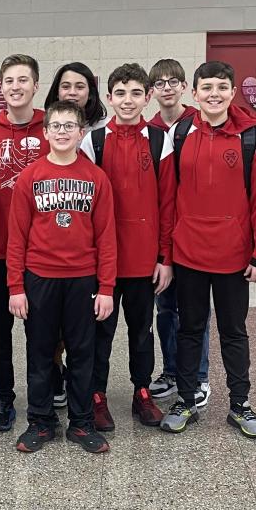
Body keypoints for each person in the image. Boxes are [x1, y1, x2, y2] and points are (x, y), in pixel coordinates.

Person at [158, 61, 256, 439]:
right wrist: (167, 256)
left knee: (233, 331)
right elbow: (168, 199)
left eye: (221, 87)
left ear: (233, 91)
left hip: (233, 256)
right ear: (195, 93)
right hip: (189, 253)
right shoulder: (179, 133)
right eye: (206, 87)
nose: (214, 94)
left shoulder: (252, 137)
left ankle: (240, 404)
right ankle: (186, 400)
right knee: (190, 329)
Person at [7, 100, 117, 454]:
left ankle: (82, 423)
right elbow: (17, 237)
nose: (63, 132)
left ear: (81, 132)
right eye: (56, 126)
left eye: (70, 126)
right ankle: (40, 422)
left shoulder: (96, 178)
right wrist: (16, 287)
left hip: (83, 279)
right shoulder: (30, 177)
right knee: (40, 352)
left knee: (83, 353)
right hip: (40, 278)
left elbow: (106, 237)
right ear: (46, 132)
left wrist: (106, 288)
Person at [79, 63, 168, 431]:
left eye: (135, 93)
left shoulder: (161, 141)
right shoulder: (94, 142)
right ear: (109, 97)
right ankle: (96, 395)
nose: (128, 101)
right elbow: (84, 203)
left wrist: (165, 257)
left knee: (141, 330)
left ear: (147, 97)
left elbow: (169, 204)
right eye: (120, 93)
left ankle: (141, 391)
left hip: (145, 260)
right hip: (103, 261)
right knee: (100, 332)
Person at [0, 54, 49, 432]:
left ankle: (43, 400)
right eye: (9, 81)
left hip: (41, 256)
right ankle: (3, 399)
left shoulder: (52, 130)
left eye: (23, 80)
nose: (16, 87)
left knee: (42, 334)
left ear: (36, 86)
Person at [145, 58, 212, 408]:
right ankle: (171, 370)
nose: (167, 88)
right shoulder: (150, 129)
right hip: (162, 231)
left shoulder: (199, 123)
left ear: (185, 88)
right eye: (160, 83)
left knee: (194, 311)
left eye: (174, 81)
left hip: (194, 233)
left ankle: (198, 375)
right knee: (166, 308)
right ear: (151, 91)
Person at [42, 61, 108, 405]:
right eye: (65, 86)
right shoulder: (41, 163)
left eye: (79, 86)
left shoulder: (103, 133)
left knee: (85, 339)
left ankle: (89, 400)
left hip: (87, 258)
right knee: (46, 338)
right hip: (46, 264)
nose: (72, 92)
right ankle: (53, 387)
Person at [44, 62, 108, 130]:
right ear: (56, 92)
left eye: (80, 87)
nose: (72, 92)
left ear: (90, 94)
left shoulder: (106, 129)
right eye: (66, 87)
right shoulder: (45, 126)